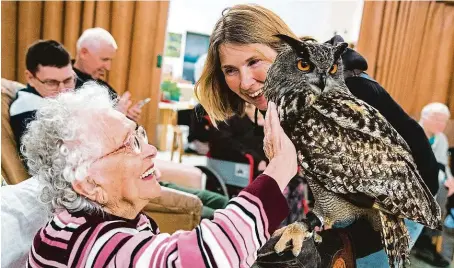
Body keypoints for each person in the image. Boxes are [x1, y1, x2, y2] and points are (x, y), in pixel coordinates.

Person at [195, 4, 440, 266]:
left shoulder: (349, 91)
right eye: (231, 70)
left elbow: (422, 168)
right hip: (344, 203)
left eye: (254, 61)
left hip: (397, 210)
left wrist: (349, 243)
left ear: (282, 53)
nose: (244, 82)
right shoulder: (279, 99)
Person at [24, 83, 296, 267]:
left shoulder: (97, 222)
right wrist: (277, 171)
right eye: (128, 145)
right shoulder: (83, 244)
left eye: (139, 135)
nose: (152, 150)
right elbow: (199, 260)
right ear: (89, 183)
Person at [9, 40, 76, 155]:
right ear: (30, 78)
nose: (63, 90)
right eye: (51, 83)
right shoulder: (24, 109)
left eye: (68, 80)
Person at [413, 103, 452, 267]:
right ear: (424, 116)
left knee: (444, 192)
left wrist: (450, 179)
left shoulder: (441, 138)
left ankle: (426, 240)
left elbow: (442, 164)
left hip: (433, 180)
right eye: (437, 119)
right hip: (414, 180)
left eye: (444, 121)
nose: (441, 124)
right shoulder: (413, 132)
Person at [73, 27, 142, 122]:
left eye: (110, 60)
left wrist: (126, 118)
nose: (108, 67)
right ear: (84, 53)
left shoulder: (106, 89)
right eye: (104, 59)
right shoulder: (63, 84)